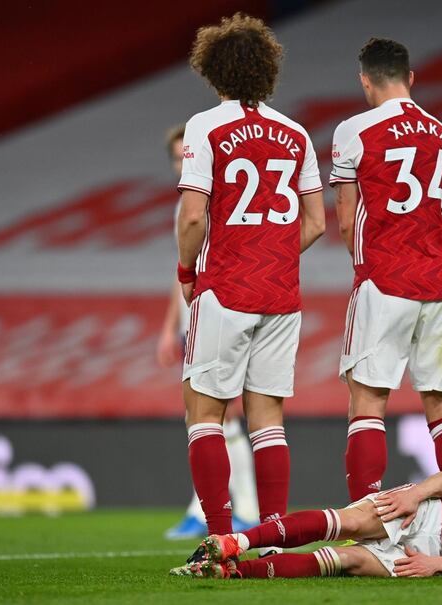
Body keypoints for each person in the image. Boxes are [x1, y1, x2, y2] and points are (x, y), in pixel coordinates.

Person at [176, 13, 325, 537]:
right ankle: (270, 538)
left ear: (213, 70)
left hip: (227, 285)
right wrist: (276, 253)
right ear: (267, 71)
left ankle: (219, 537)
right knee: (268, 420)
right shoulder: (295, 133)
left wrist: (186, 270)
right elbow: (317, 222)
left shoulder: (205, 126)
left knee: (205, 414)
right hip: (281, 293)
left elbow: (194, 215)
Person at [330, 38, 442, 502]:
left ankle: (365, 523)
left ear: (365, 80)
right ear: (411, 78)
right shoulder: (441, 133)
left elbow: (348, 219)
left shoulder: (354, 130)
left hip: (385, 279)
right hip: (439, 284)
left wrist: (365, 268)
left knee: (368, 404)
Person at [170, 447, 442, 579]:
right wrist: (416, 495)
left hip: (434, 556)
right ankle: (232, 543)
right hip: (428, 514)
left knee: (347, 561)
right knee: (350, 520)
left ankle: (228, 575)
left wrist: (435, 564)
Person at [157, 124, 259, 539]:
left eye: (188, 157)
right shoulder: (181, 208)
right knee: (213, 419)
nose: (183, 164)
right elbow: (180, 271)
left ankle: (208, 511)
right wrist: (169, 328)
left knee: (213, 416)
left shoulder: (218, 202)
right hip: (192, 320)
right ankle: (243, 509)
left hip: (220, 315)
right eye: (177, 159)